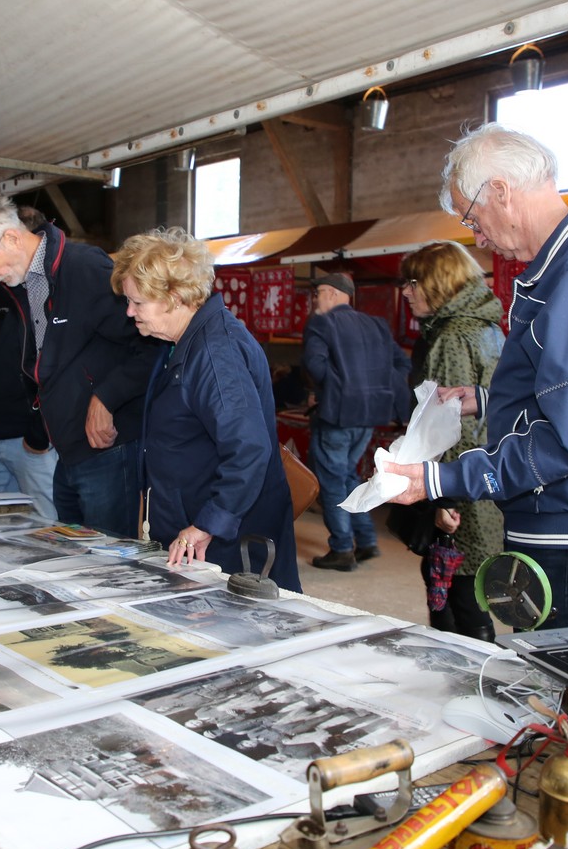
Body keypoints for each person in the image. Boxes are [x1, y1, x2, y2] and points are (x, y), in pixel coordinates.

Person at [385, 123, 568, 629]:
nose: (477, 237)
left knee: (558, 668)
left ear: (501, 191)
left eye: (473, 218)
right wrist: (489, 399)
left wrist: (440, 478)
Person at [0, 193, 157, 539]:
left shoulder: (84, 269)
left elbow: (149, 344)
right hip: (67, 449)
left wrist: (107, 397)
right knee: (72, 554)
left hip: (107, 447)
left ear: (12, 238)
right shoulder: (22, 284)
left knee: (108, 557)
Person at [110, 228, 301, 592]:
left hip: (226, 542)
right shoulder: (184, 342)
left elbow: (248, 448)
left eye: (138, 302)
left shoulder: (216, 355)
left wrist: (208, 523)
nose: (129, 311)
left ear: (174, 297)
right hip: (198, 527)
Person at [398, 241, 504, 640]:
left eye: (413, 283)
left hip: (463, 487)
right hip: (489, 476)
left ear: (438, 282)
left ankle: (463, 673)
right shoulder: (486, 327)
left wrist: (445, 497)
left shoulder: (450, 337)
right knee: (469, 588)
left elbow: (450, 424)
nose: (405, 292)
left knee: (454, 593)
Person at [303, 272, 411, 572]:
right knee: (347, 475)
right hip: (370, 414)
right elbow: (402, 363)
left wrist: (334, 390)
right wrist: (376, 388)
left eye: (318, 293)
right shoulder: (376, 325)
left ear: (333, 293)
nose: (315, 300)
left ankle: (341, 548)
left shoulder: (322, 323)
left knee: (332, 480)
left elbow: (314, 364)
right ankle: (366, 540)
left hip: (338, 414)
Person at [0, 211, 62, 518]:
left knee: (47, 525)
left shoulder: (47, 292)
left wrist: (39, 431)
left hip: (30, 435)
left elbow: (55, 364)